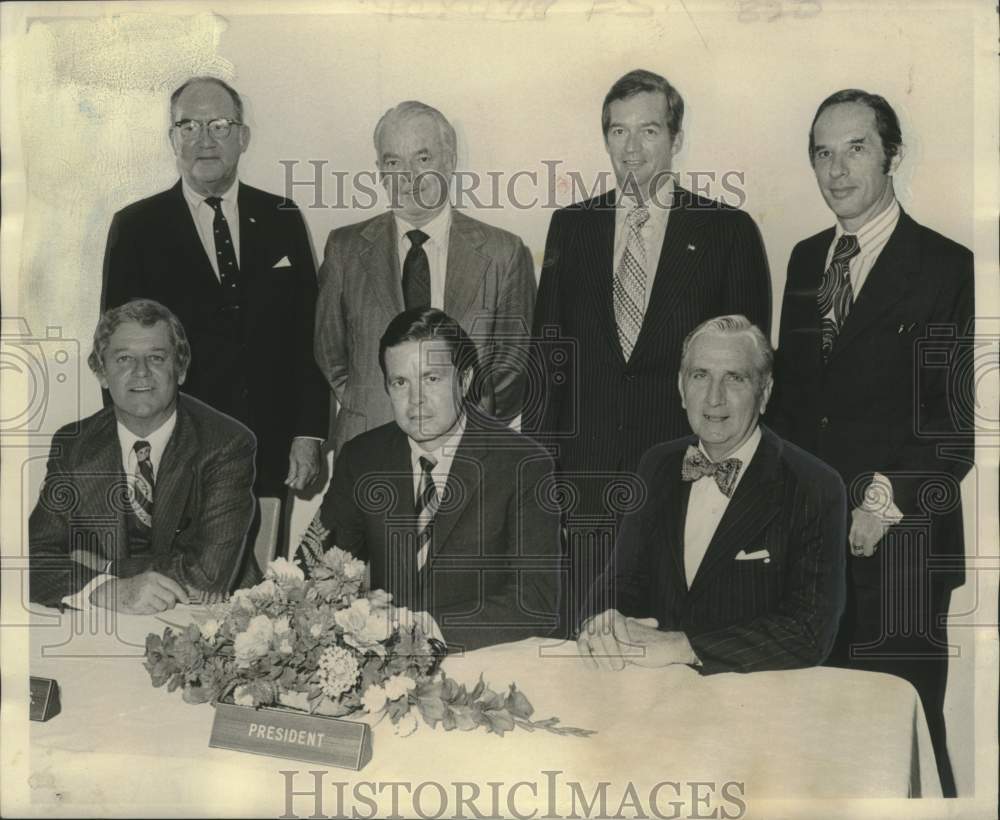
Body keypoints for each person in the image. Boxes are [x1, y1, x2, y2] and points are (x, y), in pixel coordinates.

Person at [768, 89, 974, 795]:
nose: (836, 169)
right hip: (810, 562)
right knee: (819, 758)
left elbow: (951, 432)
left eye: (855, 147)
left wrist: (878, 502)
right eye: (822, 152)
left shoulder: (949, 268)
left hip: (904, 559)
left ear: (892, 154)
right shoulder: (802, 263)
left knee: (906, 754)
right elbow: (792, 412)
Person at [526, 69, 771, 525]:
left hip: (687, 485)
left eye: (649, 131)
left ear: (676, 139)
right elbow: (547, 364)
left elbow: (748, 378)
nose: (631, 149)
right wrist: (540, 486)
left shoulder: (727, 232)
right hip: (584, 489)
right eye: (619, 131)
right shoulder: (572, 227)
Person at [101, 76, 327, 500]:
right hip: (176, 453)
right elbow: (117, 352)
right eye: (189, 126)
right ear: (172, 138)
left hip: (271, 448)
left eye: (219, 125)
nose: (204, 139)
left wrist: (309, 432)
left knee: (264, 566)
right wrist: (134, 453)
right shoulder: (135, 229)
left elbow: (309, 334)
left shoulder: (281, 216)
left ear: (243, 137)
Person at [579, 316, 846, 674]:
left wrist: (685, 647)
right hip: (651, 692)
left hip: (755, 705)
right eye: (700, 375)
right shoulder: (657, 464)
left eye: (734, 378)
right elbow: (620, 578)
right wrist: (601, 620)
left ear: (764, 392)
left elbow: (809, 632)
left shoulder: (815, 485)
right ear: (680, 386)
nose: (714, 397)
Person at [299, 308, 561, 652]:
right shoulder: (363, 458)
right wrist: (355, 605)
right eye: (400, 382)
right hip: (383, 666)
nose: (416, 399)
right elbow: (312, 568)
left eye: (432, 378)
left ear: (464, 381)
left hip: (481, 659)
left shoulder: (523, 464)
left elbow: (537, 604)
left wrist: (420, 627)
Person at [314, 100, 536, 455]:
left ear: (449, 162)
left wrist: (464, 418)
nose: (408, 178)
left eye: (422, 159)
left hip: (467, 452)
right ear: (379, 170)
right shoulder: (344, 249)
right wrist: (372, 401)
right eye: (393, 162)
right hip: (366, 448)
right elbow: (330, 354)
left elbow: (514, 364)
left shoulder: (503, 253)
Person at [29, 300, 259, 613]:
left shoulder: (227, 444)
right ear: (102, 373)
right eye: (123, 358)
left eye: (156, 357)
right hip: (109, 617)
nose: (140, 372)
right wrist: (104, 591)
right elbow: (31, 557)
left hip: (210, 619)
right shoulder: (74, 446)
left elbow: (207, 577)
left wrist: (106, 568)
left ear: (180, 370)